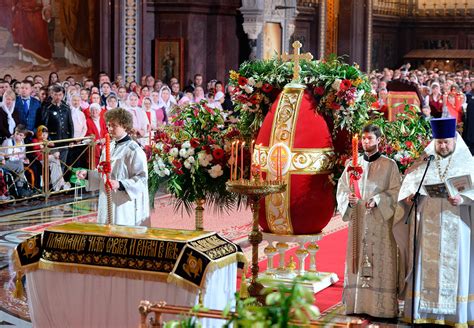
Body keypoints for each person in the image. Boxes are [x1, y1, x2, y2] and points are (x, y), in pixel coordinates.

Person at [394, 117, 474, 326]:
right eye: (440, 142)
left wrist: (462, 198)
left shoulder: (467, 162)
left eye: (447, 142)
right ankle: (424, 313)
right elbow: (410, 184)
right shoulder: (425, 160)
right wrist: (410, 196)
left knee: (455, 266)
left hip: (457, 223)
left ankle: (455, 317)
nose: (443, 146)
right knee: (426, 265)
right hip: (427, 224)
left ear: (455, 140)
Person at [336, 124, 401, 318]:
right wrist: (349, 200)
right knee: (357, 261)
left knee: (379, 261)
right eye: (363, 139)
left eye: (370, 139)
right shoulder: (352, 165)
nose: (366, 142)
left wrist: (378, 200)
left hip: (380, 224)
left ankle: (381, 308)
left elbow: (396, 191)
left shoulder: (390, 165)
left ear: (379, 140)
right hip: (358, 222)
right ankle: (357, 305)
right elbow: (342, 189)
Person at [76, 108, 149, 226]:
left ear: (125, 126)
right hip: (107, 199)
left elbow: (142, 179)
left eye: (113, 126)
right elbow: (103, 173)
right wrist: (88, 175)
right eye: (108, 125)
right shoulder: (108, 147)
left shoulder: (133, 150)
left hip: (123, 203)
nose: (109, 129)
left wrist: (120, 184)